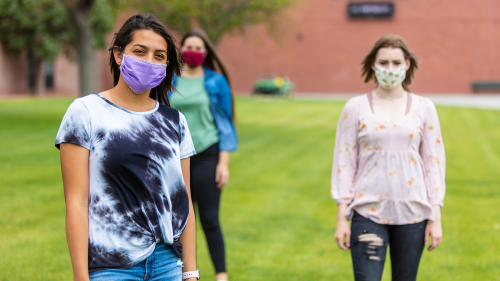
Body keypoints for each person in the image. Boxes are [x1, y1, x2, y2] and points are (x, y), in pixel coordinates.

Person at [55, 14, 200, 281]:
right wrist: (80, 277)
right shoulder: (85, 112)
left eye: (159, 56)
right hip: (110, 266)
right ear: (119, 55)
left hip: (167, 265)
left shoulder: (175, 122)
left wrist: (190, 272)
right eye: (140, 51)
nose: (149, 61)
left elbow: (184, 200)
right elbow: (76, 202)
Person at [331, 34, 445, 281]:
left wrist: (435, 216)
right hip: (367, 212)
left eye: (396, 62)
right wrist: (342, 218)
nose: (390, 69)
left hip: (412, 213)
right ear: (373, 64)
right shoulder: (355, 107)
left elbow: (433, 163)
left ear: (407, 65)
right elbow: (344, 162)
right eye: (384, 62)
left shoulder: (424, 107)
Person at [169, 28, 237, 281]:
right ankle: (182, 272)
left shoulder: (216, 81)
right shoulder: (171, 79)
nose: (193, 52)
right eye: (189, 47)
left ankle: (221, 275)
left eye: (199, 48)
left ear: (205, 52)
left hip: (207, 155)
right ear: (181, 49)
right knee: (178, 220)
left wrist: (224, 163)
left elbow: (226, 123)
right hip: (175, 158)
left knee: (209, 218)